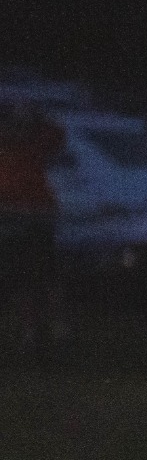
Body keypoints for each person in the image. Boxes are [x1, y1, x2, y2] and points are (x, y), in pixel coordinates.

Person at [0, 102, 65, 358]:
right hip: (11, 214)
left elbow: (57, 135)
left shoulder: (34, 145)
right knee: (21, 278)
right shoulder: (13, 146)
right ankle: (32, 332)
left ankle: (53, 329)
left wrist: (35, 115)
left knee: (41, 276)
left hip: (35, 215)